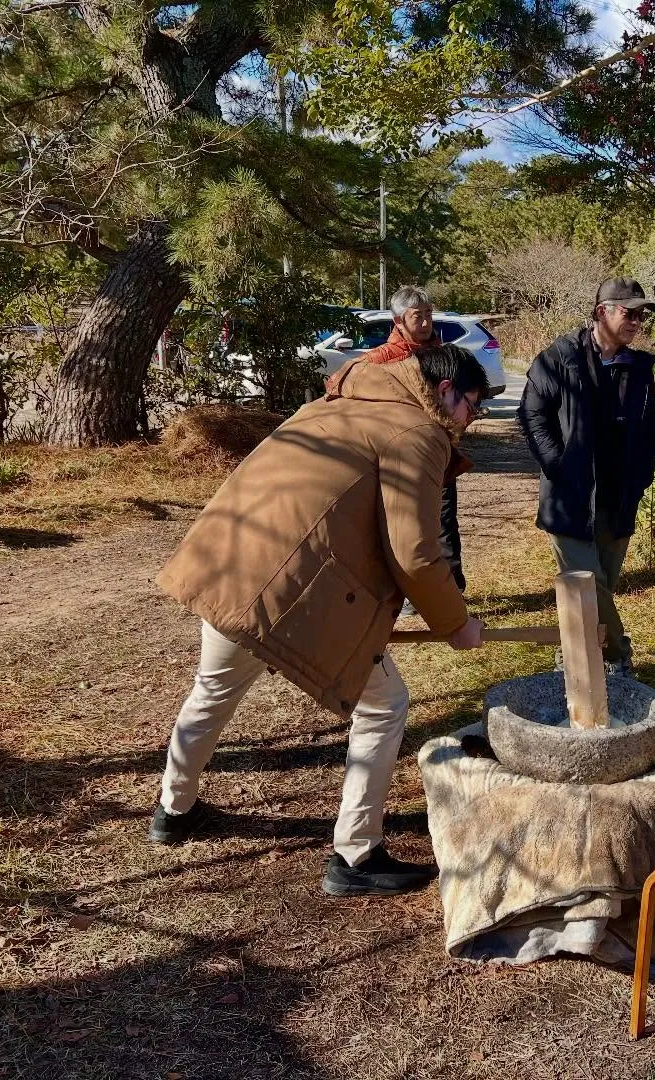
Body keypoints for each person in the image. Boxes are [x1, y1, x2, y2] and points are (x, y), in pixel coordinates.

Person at [150, 344, 491, 898]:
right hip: (286, 589)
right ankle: (356, 853)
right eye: (471, 407)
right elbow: (416, 554)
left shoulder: (327, 405)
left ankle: (174, 808)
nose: (468, 423)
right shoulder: (417, 432)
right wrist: (456, 624)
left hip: (230, 567)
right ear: (445, 391)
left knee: (211, 691)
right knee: (385, 705)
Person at [517, 278, 655, 674]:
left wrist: (642, 475)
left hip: (619, 499)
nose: (637, 322)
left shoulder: (639, 368)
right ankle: (617, 654)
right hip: (572, 497)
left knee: (602, 587)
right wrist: (558, 466)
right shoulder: (559, 357)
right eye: (629, 313)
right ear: (603, 312)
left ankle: (576, 652)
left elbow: (649, 429)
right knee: (587, 585)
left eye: (641, 315)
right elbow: (532, 414)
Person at [363, 285, 469, 599]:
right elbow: (342, 385)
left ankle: (453, 590)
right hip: (399, 457)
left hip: (441, 452)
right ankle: (407, 593)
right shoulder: (380, 359)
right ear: (398, 321)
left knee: (445, 520)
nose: (424, 323)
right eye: (416, 317)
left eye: (428, 315)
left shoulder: (446, 355)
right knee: (405, 525)